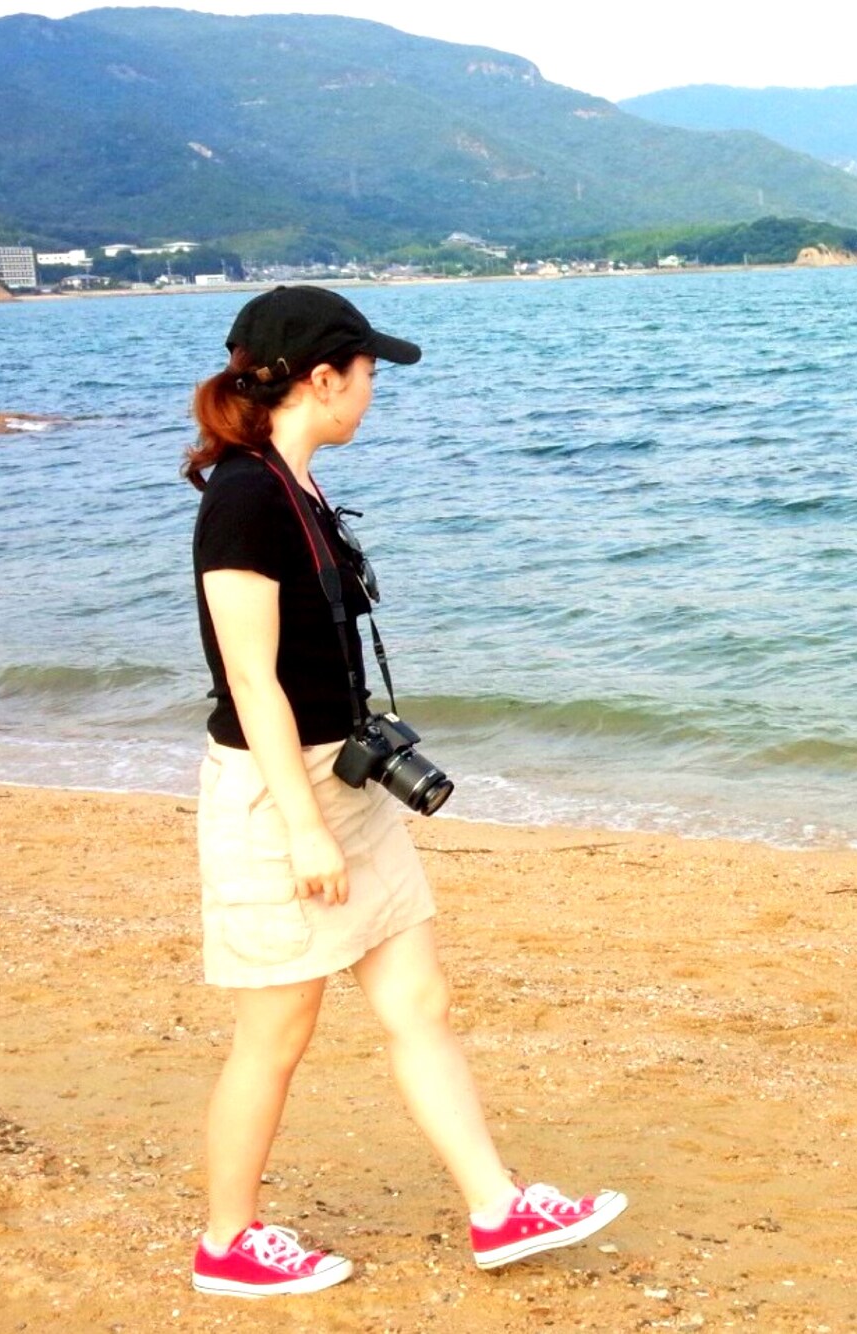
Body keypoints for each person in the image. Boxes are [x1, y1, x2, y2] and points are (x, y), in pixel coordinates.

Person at [184, 285, 628, 1298]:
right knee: (275, 1034)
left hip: (347, 782)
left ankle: (496, 1206)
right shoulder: (244, 497)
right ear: (321, 377)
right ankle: (227, 1240)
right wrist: (304, 829)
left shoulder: (297, 484)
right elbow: (248, 679)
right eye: (367, 370)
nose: (373, 388)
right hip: (279, 795)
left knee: (420, 1000)